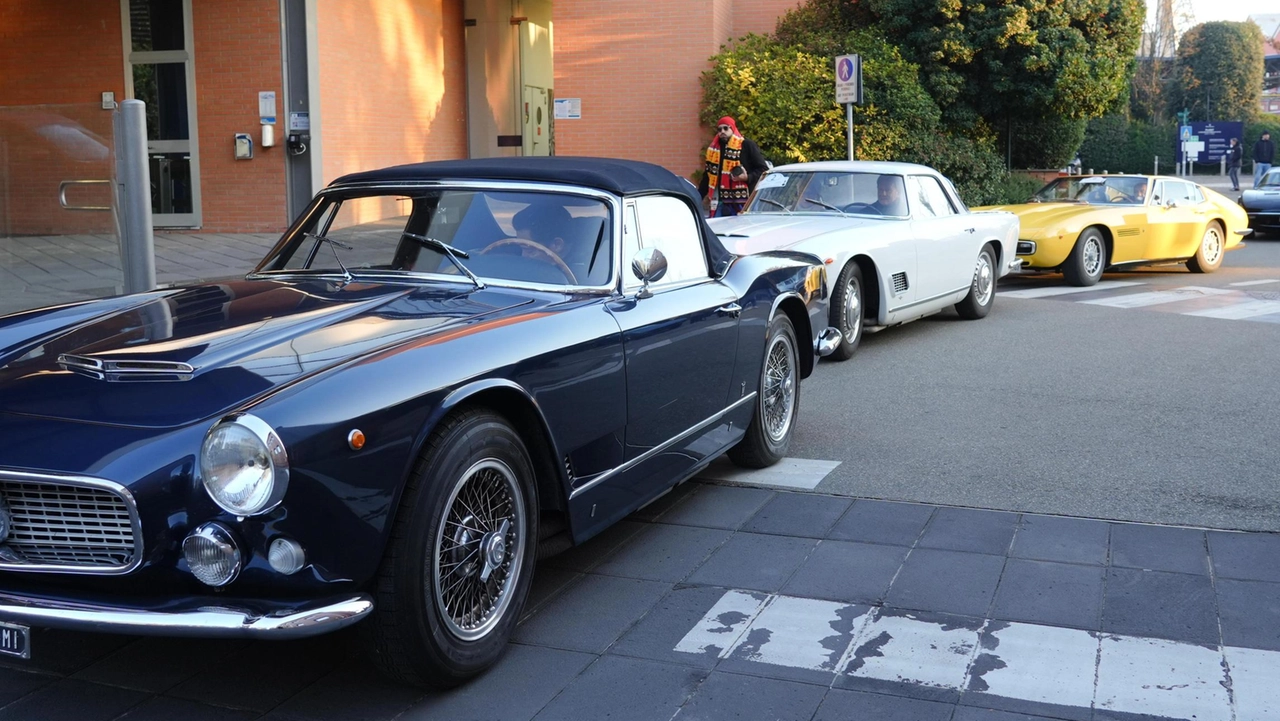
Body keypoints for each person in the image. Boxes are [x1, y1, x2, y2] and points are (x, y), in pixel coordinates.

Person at [697, 116, 768, 218]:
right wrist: (697, 197)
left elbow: (763, 169)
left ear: (733, 129)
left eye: (726, 128)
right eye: (719, 129)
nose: (722, 131)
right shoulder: (714, 151)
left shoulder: (746, 145)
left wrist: (747, 177)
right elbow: (708, 176)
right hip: (720, 202)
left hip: (744, 202)